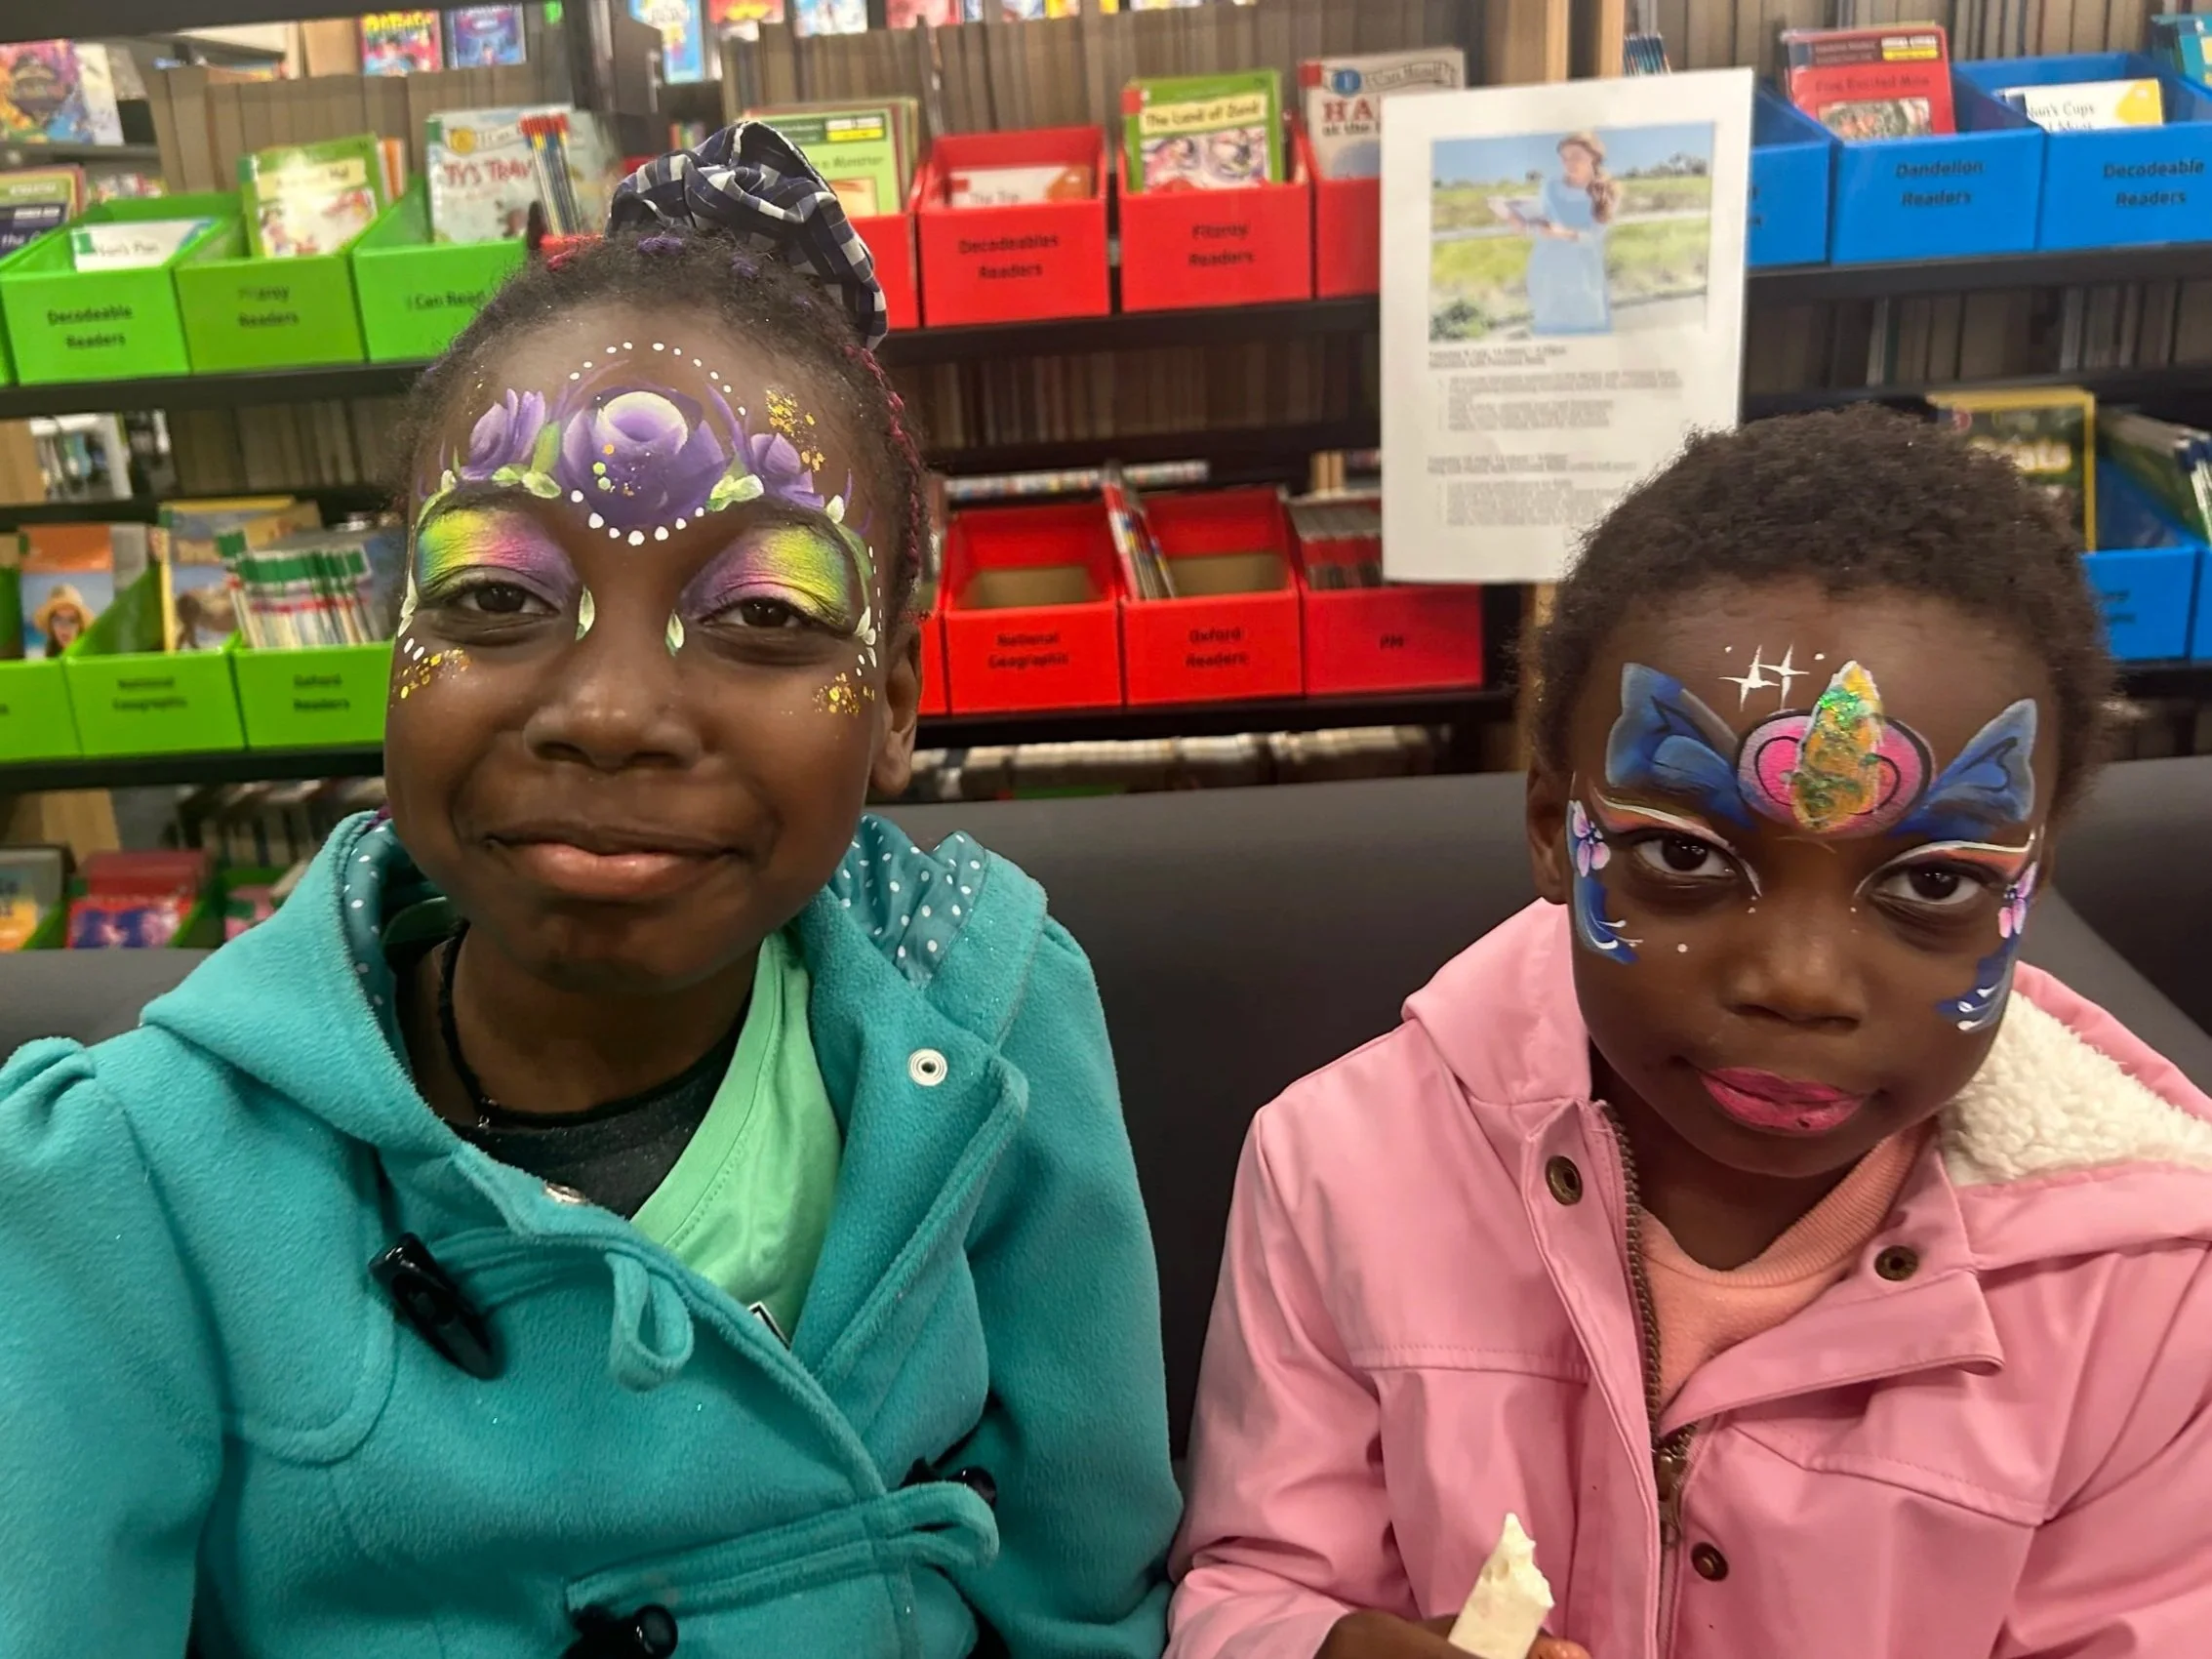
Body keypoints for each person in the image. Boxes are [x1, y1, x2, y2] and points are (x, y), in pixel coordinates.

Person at [0, 123, 1179, 1659]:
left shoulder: (987, 1026)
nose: (612, 711)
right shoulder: (135, 1183)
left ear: (892, 701)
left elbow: (1083, 1598)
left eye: (763, 612)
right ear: (394, 644)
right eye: (496, 595)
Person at [1168, 405, 2212, 1659]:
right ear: (1552, 830)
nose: (1797, 982)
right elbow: (1250, 1582)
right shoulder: (1339, 1166)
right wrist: (1323, 1646)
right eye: (1681, 858)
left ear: (2028, 882)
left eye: (1933, 882)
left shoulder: (2149, 1282)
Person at [1514, 132, 1614, 337]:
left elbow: (1596, 235)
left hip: (1584, 274)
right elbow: (1541, 223)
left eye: (1576, 156)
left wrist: (1564, 233)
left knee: (1587, 334)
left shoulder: (1607, 191)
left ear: (1593, 157)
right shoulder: (1550, 187)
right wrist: (1521, 223)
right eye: (1564, 158)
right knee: (1551, 335)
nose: (1569, 163)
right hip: (1547, 271)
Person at [31, 582, 89, 657]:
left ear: (80, 625)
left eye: (72, 620)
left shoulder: (91, 659)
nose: (64, 627)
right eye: (58, 619)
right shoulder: (46, 660)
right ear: (51, 625)